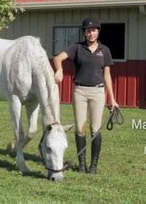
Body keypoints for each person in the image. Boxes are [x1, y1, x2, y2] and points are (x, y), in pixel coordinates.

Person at [53, 17, 119, 174]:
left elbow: (107, 75)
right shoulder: (76, 48)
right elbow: (57, 58)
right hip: (80, 92)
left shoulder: (105, 50)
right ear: (84, 33)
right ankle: (82, 164)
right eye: (88, 31)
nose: (91, 33)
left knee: (96, 128)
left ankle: (93, 165)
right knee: (80, 128)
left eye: (94, 30)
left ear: (98, 32)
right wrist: (59, 69)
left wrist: (113, 99)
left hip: (98, 92)